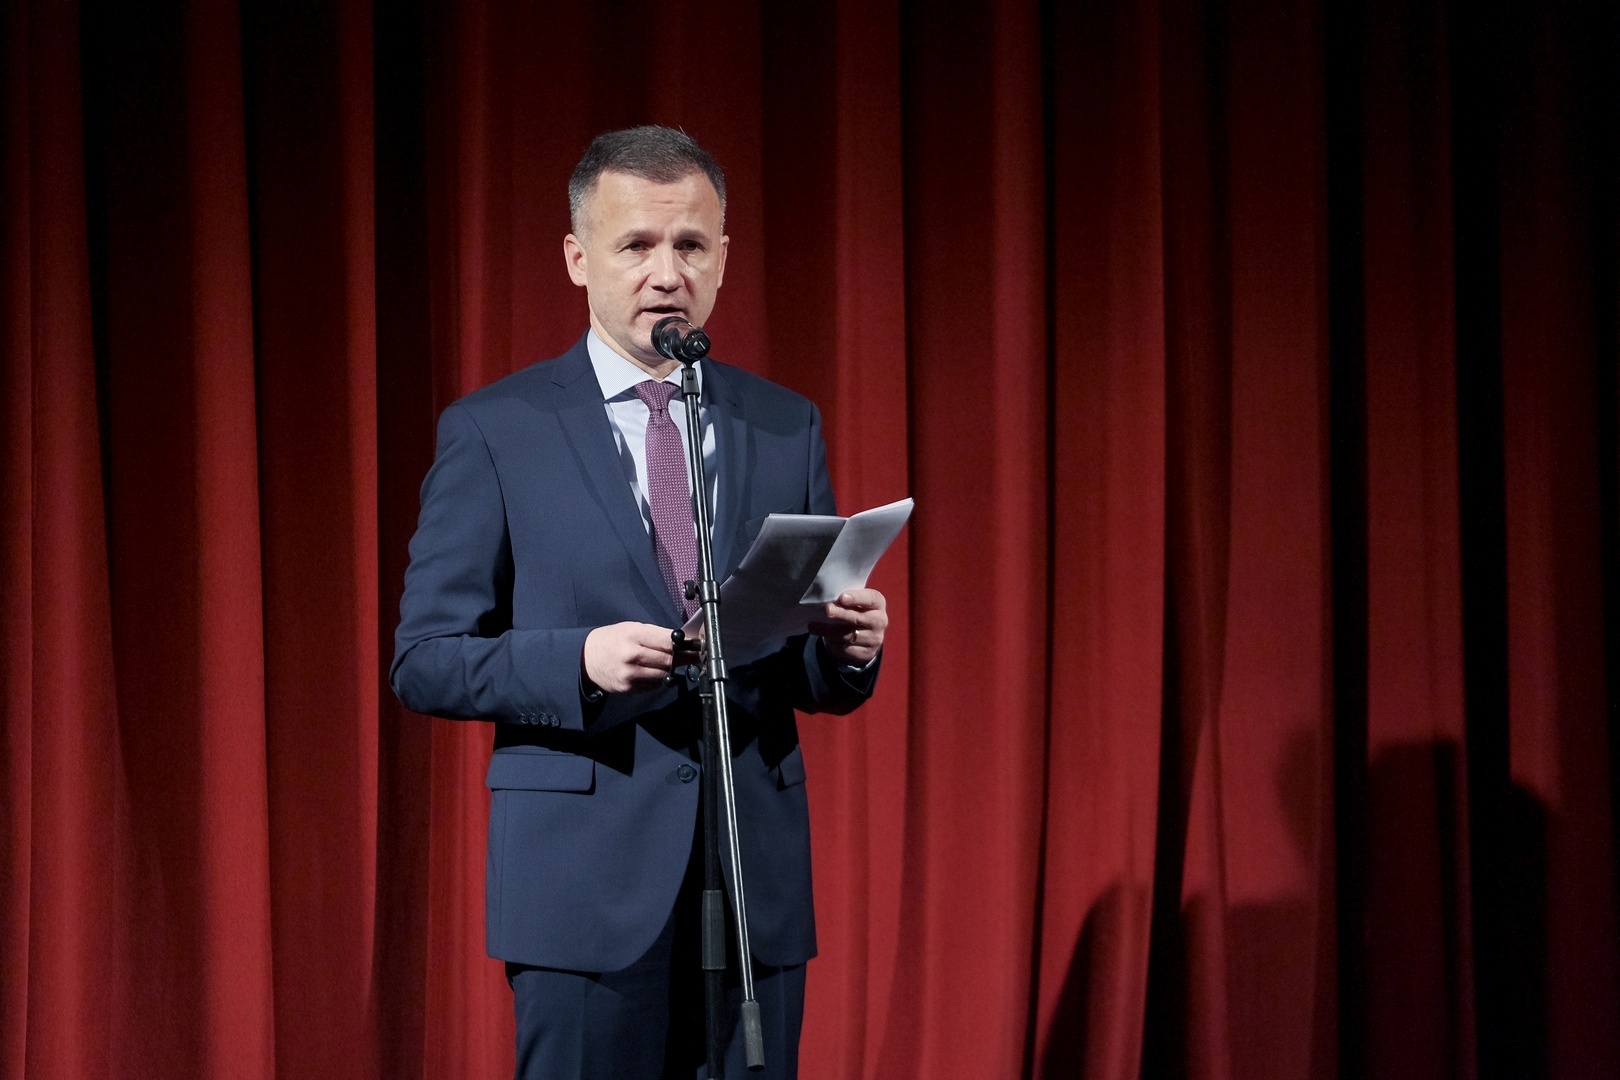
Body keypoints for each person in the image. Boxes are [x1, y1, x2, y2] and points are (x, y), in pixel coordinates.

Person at [391, 125, 888, 1080]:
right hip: (581, 890)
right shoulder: (496, 431)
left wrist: (846, 648)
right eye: (637, 246)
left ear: (723, 259)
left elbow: (803, 668)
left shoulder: (783, 423)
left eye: (691, 245)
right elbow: (425, 658)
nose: (668, 274)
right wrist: (577, 661)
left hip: (751, 880)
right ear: (578, 259)